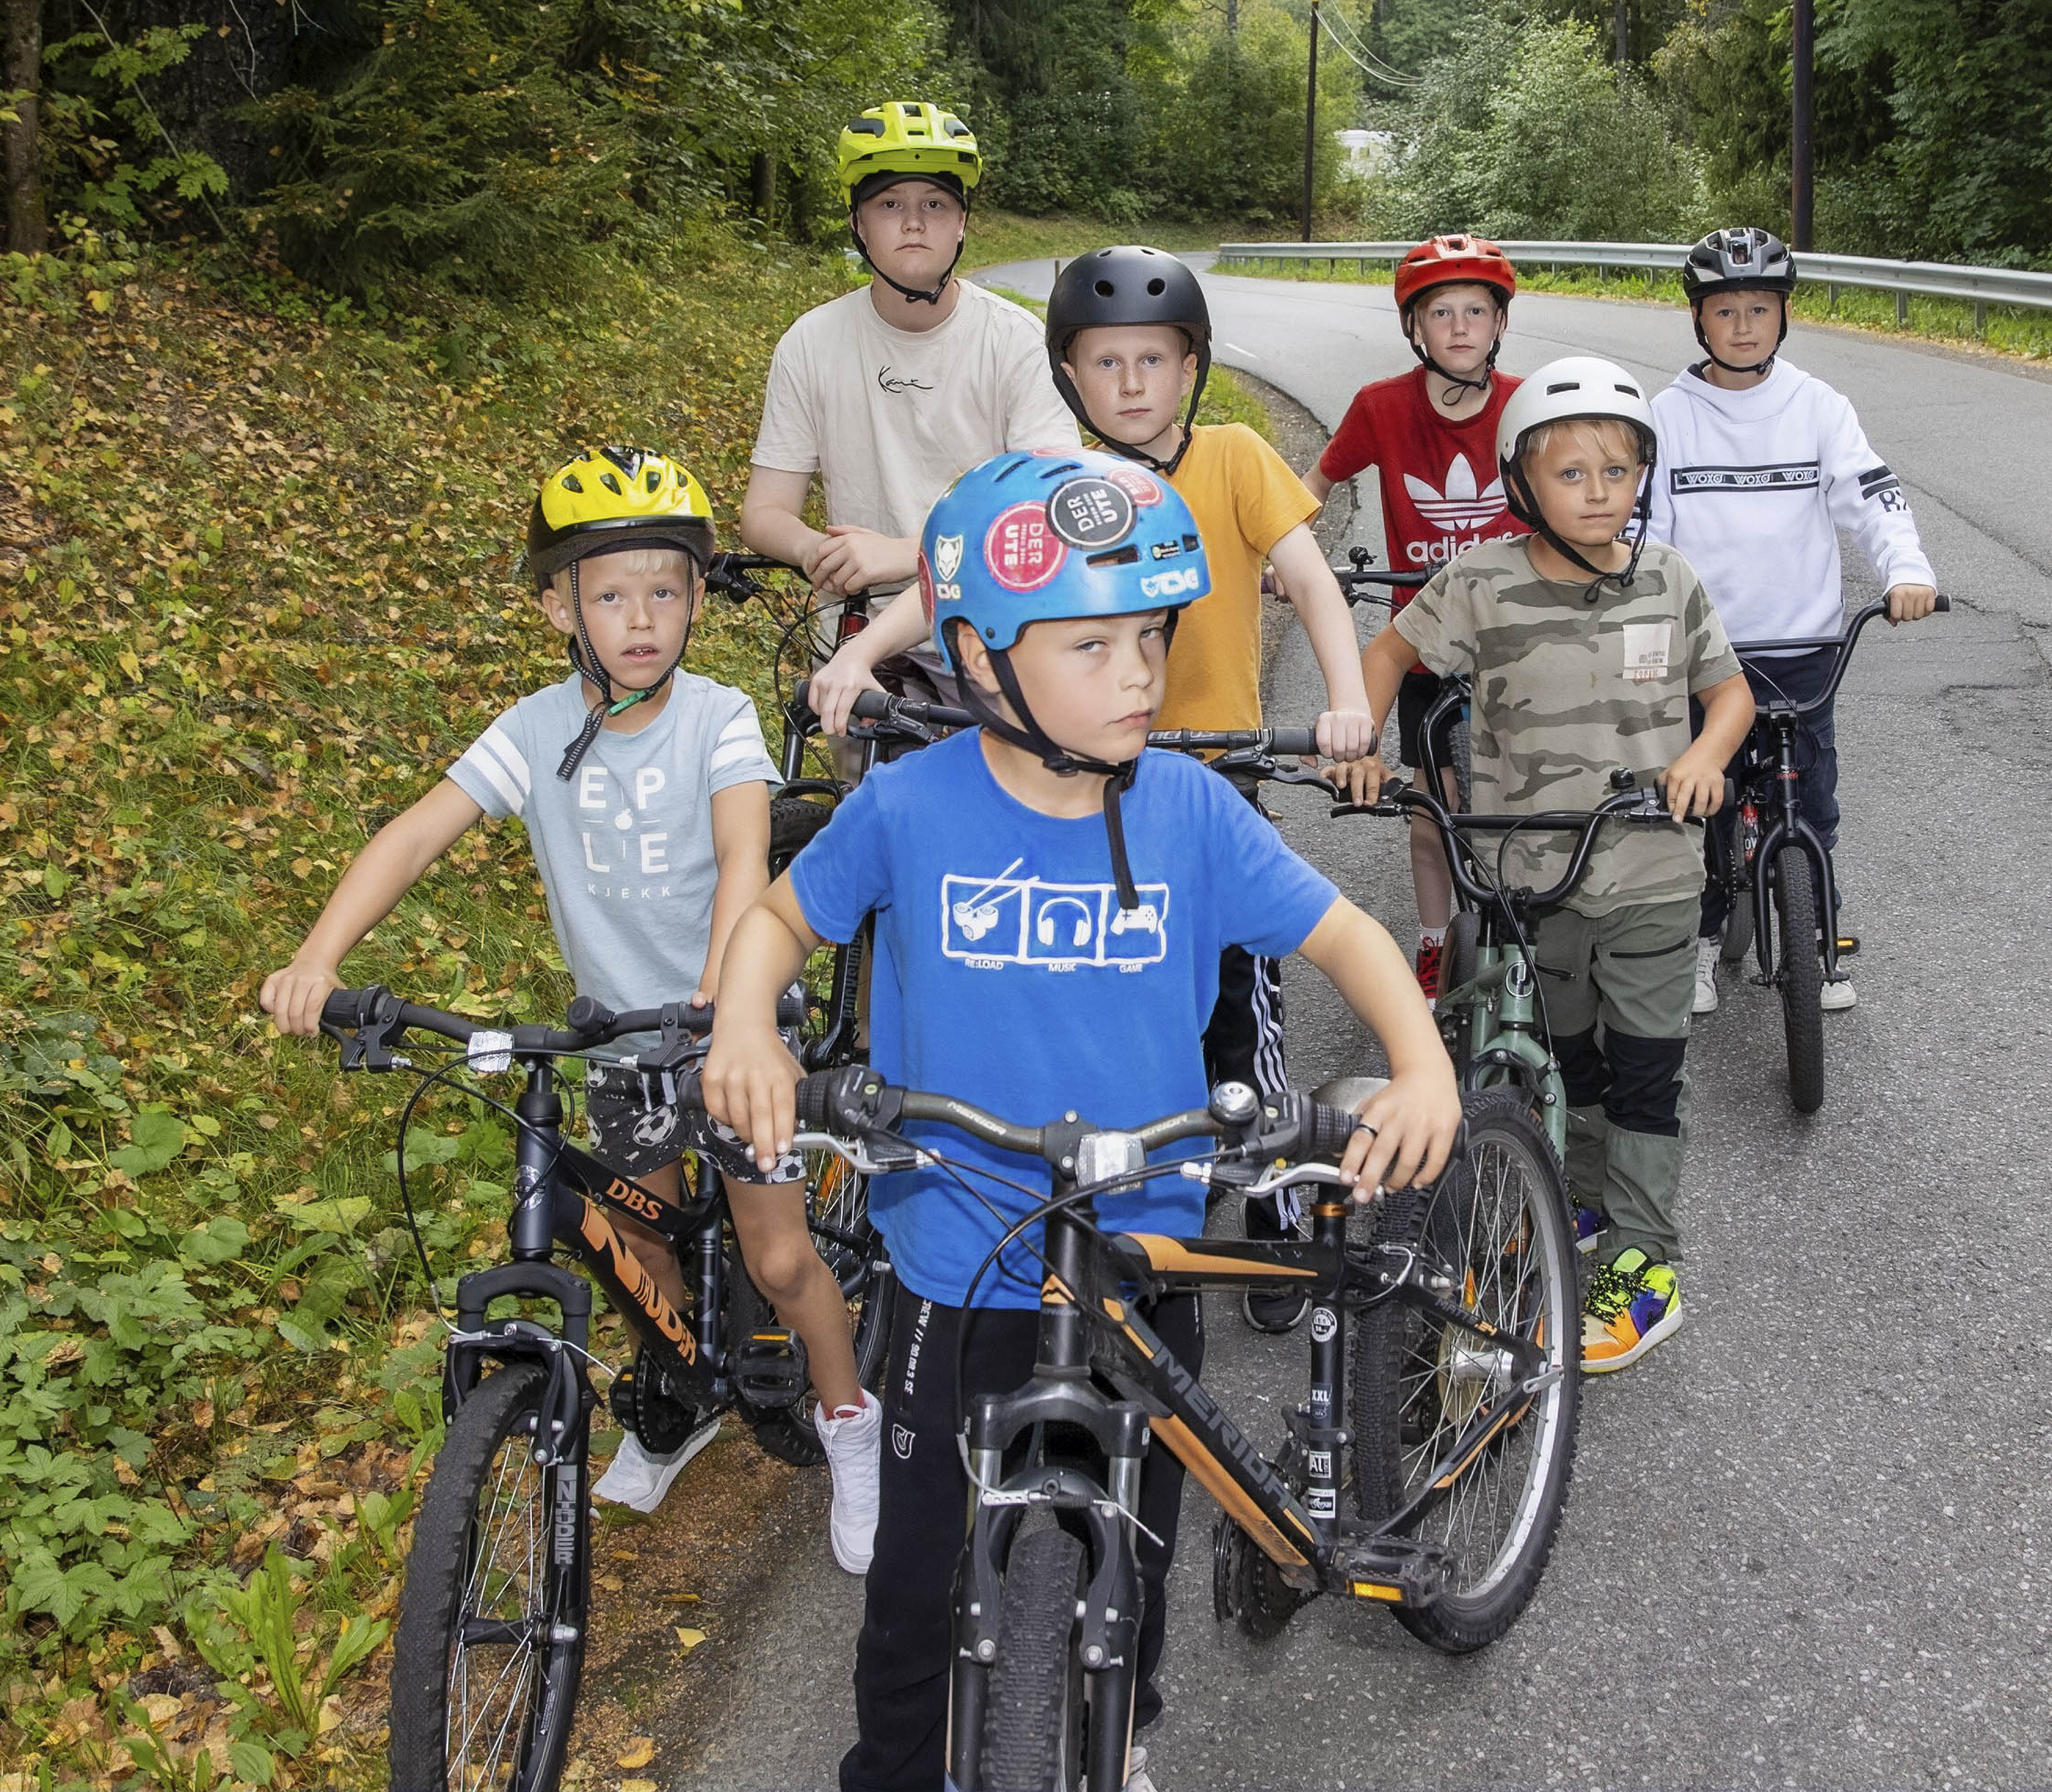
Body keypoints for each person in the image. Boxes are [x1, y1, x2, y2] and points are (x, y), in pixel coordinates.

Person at [700, 451, 1460, 1792]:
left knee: (1139, 1525)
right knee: (920, 1577)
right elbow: (776, 919)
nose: (1140, 675)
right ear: (983, 662)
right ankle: (891, 1768)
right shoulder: (910, 806)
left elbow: (1348, 936)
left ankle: (1128, 1720)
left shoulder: (1188, 811)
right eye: (1093, 643)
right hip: (955, 1261)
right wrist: (749, 1025)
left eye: (1152, 638)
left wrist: (1421, 1063)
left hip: (1141, 1252)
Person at [258, 447, 883, 1568]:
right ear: (558, 604)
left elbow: (745, 850)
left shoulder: (718, 716)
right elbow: (414, 832)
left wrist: (721, 991)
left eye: (662, 588)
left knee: (782, 1259)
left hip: (727, 1026)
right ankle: (682, 1399)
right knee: (636, 1240)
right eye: (607, 592)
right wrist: (317, 955)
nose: (639, 616)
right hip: (617, 1038)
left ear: (696, 597)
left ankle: (847, 1420)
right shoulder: (534, 729)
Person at [1331, 356, 1753, 1375]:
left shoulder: (1669, 578)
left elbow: (1728, 691)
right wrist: (1357, 738)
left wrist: (1701, 754)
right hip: (1527, 872)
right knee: (1567, 1056)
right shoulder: (1479, 582)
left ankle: (1648, 1261)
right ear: (1520, 483)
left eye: (1617, 470)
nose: (1598, 492)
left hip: (1651, 869)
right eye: (1571, 473)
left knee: (1647, 1068)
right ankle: (1585, 1195)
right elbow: (1386, 655)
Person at [1646, 226, 1937, 1016]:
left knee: (1811, 805)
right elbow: (1652, 534)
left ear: (1784, 316)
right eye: (1726, 310)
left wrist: (1905, 571)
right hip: (1707, 655)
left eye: (1761, 309)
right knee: (1699, 802)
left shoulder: (1818, 407)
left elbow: (1874, 497)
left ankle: (1818, 940)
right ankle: (1701, 938)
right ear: (1699, 321)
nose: (1744, 325)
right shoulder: (1669, 417)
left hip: (1804, 647)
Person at [744, 102, 1078, 718]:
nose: (914, 223)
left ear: (961, 226)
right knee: (866, 807)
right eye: (890, 204)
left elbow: (1043, 508)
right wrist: (819, 550)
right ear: (858, 225)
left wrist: (903, 554)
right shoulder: (810, 342)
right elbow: (765, 512)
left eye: (935, 204)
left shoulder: (1014, 340)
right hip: (862, 646)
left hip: (995, 634)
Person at [1303, 235, 1527, 997]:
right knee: (1432, 812)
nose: (1460, 327)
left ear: (1499, 324)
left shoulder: (1528, 405)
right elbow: (1313, 487)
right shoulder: (1381, 407)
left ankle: (1544, 927)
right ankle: (1434, 942)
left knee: (1544, 795)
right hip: (1426, 644)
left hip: (1520, 640)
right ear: (1415, 327)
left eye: (1476, 310)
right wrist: (1282, 554)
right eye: (1441, 312)